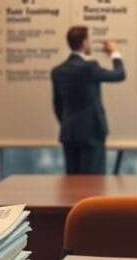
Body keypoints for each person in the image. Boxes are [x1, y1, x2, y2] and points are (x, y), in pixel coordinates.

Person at [51, 26, 126, 174]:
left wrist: (67, 123)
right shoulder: (89, 68)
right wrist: (114, 52)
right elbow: (119, 74)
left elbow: (57, 105)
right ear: (85, 42)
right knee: (93, 181)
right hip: (91, 132)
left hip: (69, 133)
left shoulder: (58, 71)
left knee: (72, 181)